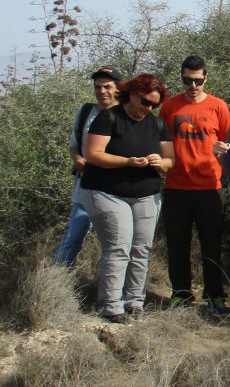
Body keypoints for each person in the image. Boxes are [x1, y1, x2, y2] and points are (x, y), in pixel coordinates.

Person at [81, 73, 173, 324]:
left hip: (146, 194)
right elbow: (92, 154)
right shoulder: (108, 117)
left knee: (141, 248)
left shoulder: (157, 124)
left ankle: (135, 302)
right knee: (119, 247)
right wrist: (128, 162)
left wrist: (160, 162)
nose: (148, 108)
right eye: (145, 102)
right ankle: (111, 305)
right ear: (132, 94)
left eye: (154, 105)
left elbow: (170, 160)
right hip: (107, 192)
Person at [159, 56, 230, 315]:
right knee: (178, 245)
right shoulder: (169, 107)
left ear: (206, 79)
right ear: (182, 79)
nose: (193, 85)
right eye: (187, 80)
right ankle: (181, 294)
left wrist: (223, 175)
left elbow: (227, 145)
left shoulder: (218, 107)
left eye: (198, 80)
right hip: (176, 187)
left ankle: (214, 295)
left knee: (211, 244)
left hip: (209, 187)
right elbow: (161, 142)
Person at [53, 66, 122, 266]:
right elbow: (73, 144)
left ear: (117, 88)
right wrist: (78, 159)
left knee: (115, 242)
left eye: (107, 86)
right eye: (98, 87)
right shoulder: (85, 112)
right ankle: (56, 278)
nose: (102, 91)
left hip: (116, 188)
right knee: (74, 235)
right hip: (86, 185)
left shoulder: (126, 114)